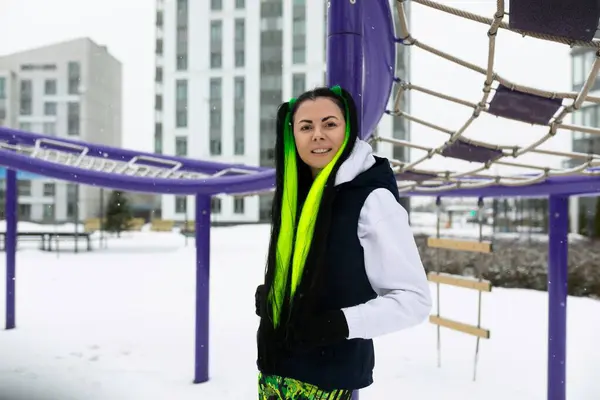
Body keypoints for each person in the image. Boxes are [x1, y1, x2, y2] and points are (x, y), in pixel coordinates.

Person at [255, 85, 431, 399]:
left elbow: (413, 300)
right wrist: (276, 297)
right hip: (276, 373)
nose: (317, 135)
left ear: (347, 130)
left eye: (330, 124)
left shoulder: (372, 199)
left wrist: (338, 323)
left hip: (327, 381)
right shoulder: (296, 192)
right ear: (292, 135)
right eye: (306, 127)